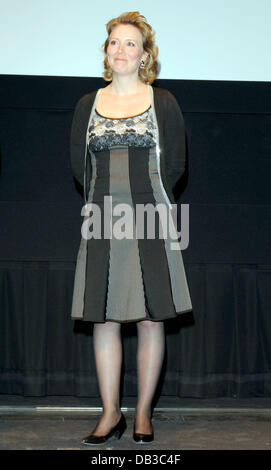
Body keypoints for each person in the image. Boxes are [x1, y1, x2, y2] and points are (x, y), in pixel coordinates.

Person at [70, 11, 193, 445]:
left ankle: (142, 414)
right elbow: (78, 168)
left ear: (144, 56)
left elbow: (175, 164)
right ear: (107, 51)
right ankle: (109, 415)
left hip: (150, 215)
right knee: (103, 319)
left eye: (130, 44)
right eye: (114, 43)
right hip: (101, 217)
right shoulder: (88, 104)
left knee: (149, 318)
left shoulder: (164, 102)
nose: (120, 50)